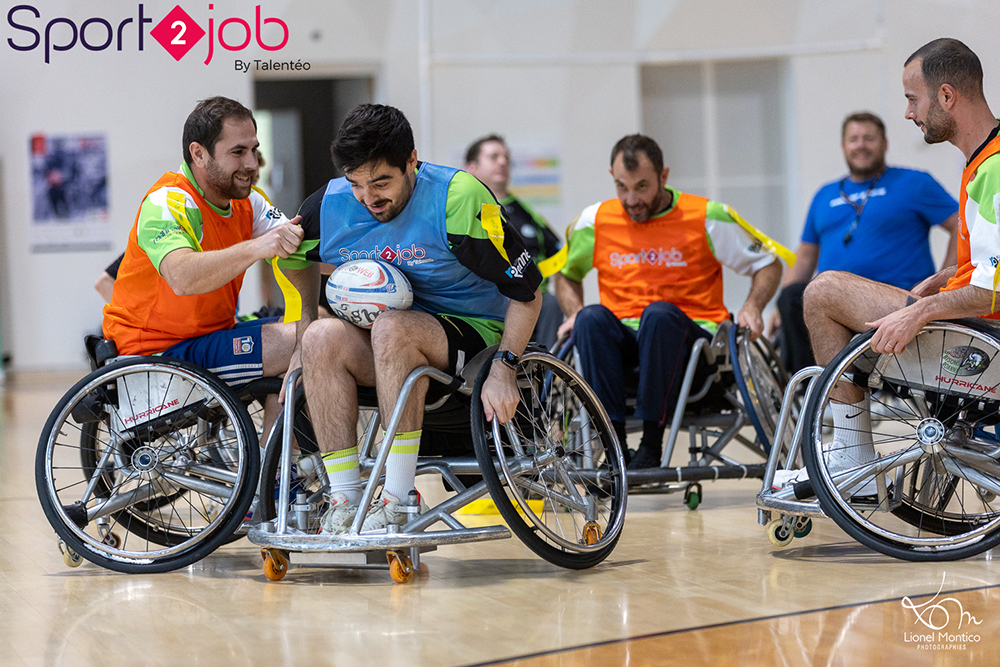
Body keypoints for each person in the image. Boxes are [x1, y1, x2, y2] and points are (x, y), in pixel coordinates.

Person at [289, 104, 542, 533]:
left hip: (472, 335)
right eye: (356, 185)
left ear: (411, 161)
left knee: (391, 327)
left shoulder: (459, 198)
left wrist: (505, 367)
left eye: (381, 182)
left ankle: (398, 497)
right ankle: (346, 499)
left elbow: (528, 294)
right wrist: (304, 324)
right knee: (319, 337)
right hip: (388, 343)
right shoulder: (327, 205)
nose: (369, 198)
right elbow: (295, 258)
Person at [784, 38, 1000, 489]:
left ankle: (850, 458)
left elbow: (992, 289)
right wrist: (943, 278)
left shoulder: (992, 169)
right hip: (978, 328)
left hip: (983, 344)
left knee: (823, 292)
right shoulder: (983, 160)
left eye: (912, 98)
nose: (908, 113)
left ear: (946, 96)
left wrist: (917, 311)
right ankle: (849, 452)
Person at [555, 134, 782, 469]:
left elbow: (768, 263)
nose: (631, 199)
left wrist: (752, 307)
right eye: (622, 187)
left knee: (658, 315)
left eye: (642, 187)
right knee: (590, 319)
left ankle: (651, 445)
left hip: (694, 346)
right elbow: (565, 274)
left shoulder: (707, 216)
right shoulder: (595, 220)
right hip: (623, 346)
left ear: (664, 176)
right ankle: (614, 447)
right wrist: (573, 312)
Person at [102, 96, 316, 437]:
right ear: (199, 153)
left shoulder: (250, 202)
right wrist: (258, 247)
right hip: (156, 350)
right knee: (302, 341)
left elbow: (297, 250)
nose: (251, 163)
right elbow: (182, 277)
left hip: (208, 337)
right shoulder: (169, 201)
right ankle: (274, 471)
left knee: (312, 330)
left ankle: (276, 464)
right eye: (237, 152)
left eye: (253, 150)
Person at [771, 112, 959, 374]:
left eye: (869, 138)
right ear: (843, 146)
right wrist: (780, 308)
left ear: (885, 143)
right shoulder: (824, 195)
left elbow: (960, 223)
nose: (861, 145)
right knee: (792, 298)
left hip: (893, 299)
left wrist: (945, 282)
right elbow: (805, 254)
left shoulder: (914, 183)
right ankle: (811, 393)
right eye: (854, 139)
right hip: (834, 305)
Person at [465, 135, 563, 349]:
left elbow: (559, 257)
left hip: (531, 299)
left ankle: (546, 376)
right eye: (493, 157)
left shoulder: (527, 214)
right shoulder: (463, 211)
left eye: (506, 158)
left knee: (551, 303)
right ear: (472, 167)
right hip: (486, 298)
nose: (503, 162)